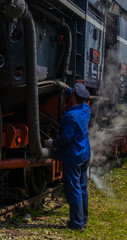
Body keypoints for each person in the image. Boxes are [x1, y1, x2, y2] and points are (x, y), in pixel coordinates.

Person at [45, 82, 91, 230]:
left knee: (73, 190)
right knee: (82, 187)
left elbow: (65, 138)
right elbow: (78, 98)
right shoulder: (86, 109)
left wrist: (52, 143)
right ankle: (83, 219)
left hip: (73, 157)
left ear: (73, 97)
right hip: (84, 154)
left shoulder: (70, 116)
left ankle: (76, 224)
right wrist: (69, 90)